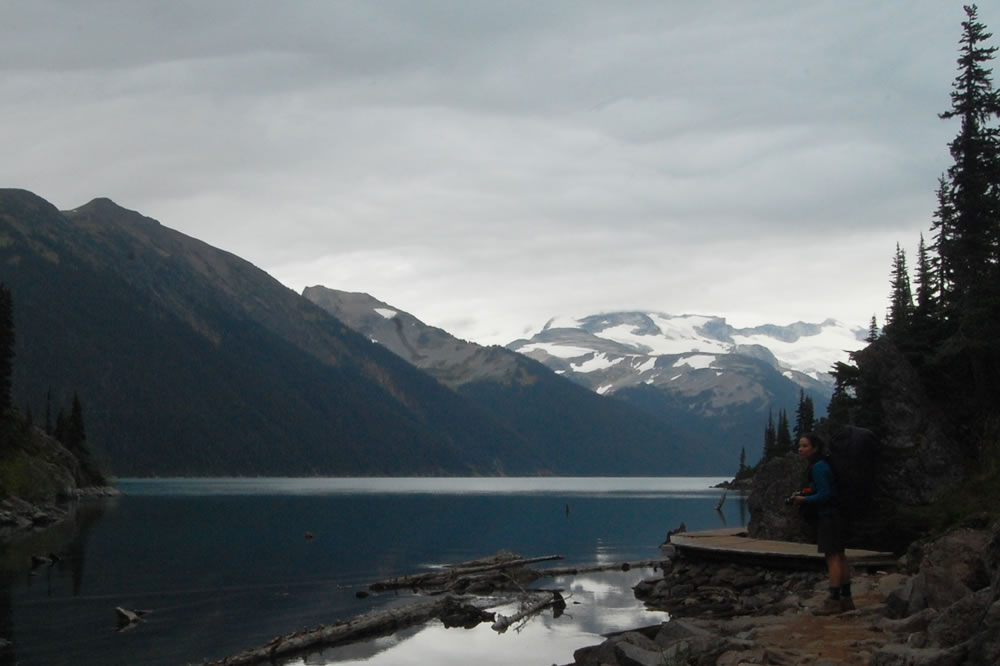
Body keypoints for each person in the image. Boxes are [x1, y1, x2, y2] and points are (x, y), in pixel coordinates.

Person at [794, 432, 853, 614]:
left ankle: (833, 600)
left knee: (832, 557)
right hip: (839, 515)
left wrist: (804, 500)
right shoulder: (825, 465)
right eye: (800, 446)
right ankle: (846, 598)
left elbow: (826, 494)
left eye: (805, 446)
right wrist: (808, 492)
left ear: (815, 448)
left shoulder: (818, 467)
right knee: (840, 555)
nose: (800, 449)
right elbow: (824, 489)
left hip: (829, 516)